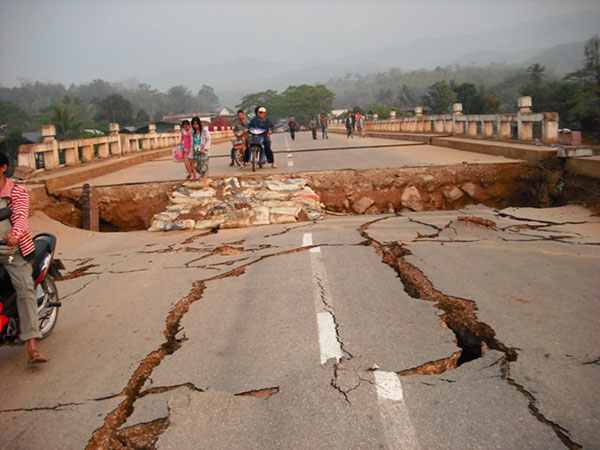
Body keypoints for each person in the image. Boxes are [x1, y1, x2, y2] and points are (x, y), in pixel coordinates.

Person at [0, 152, 48, 364]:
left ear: (3, 168)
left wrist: (14, 236)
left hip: (13, 251)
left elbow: (20, 218)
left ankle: (31, 344)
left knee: (24, 289)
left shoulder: (16, 193)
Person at [191, 116, 211, 190]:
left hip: (203, 151)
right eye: (194, 124)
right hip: (196, 151)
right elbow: (192, 144)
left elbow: (208, 140)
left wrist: (205, 149)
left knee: (204, 168)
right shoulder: (192, 133)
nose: (195, 126)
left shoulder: (204, 131)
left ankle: (205, 185)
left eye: (196, 124)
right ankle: (202, 177)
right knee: (197, 167)